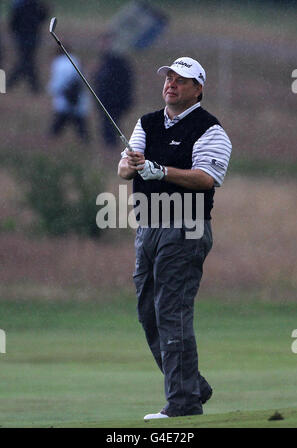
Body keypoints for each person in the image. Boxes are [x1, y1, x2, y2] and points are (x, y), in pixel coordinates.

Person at [118, 57, 232, 420]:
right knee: (148, 313)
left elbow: (205, 179)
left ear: (197, 89)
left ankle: (183, 404)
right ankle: (192, 385)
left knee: (171, 310)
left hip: (187, 227)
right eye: (168, 77)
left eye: (180, 80)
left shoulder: (210, 129)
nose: (171, 84)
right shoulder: (147, 123)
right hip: (148, 226)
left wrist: (160, 170)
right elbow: (123, 169)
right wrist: (134, 163)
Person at [94, 32, 134, 149]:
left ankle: (111, 148)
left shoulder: (118, 62)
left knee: (110, 126)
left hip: (114, 101)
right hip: (105, 100)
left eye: (105, 42)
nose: (102, 45)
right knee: (107, 126)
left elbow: (124, 83)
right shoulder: (104, 61)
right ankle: (110, 148)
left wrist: (124, 100)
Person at [47, 47, 90, 142]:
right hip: (78, 97)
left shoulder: (58, 63)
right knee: (79, 123)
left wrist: (52, 90)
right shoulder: (75, 60)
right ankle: (85, 141)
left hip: (65, 97)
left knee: (60, 121)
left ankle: (50, 140)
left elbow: (58, 81)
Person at [7, 0, 49, 93]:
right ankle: (34, 87)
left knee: (26, 61)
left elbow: (12, 22)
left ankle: (10, 84)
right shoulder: (34, 4)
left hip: (25, 37)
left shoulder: (19, 4)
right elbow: (43, 17)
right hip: (30, 37)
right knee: (27, 61)